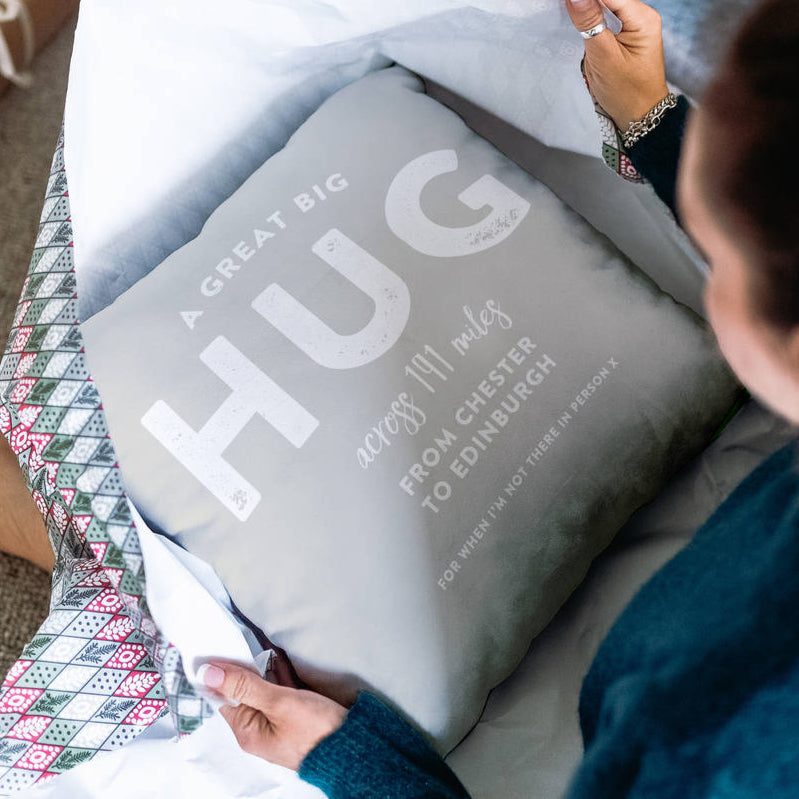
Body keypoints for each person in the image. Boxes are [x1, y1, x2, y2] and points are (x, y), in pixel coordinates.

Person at [2, 0, 797, 795]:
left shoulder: (710, 746)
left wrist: (355, 761)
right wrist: (654, 126)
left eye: (721, 260)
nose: (705, 260)